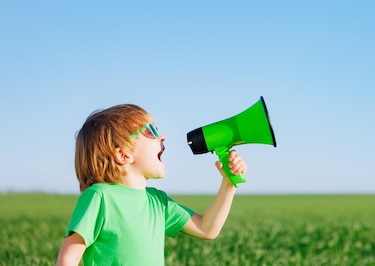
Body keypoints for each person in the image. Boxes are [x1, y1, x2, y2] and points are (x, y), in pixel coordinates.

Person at [56, 103, 247, 266]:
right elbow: (68, 259)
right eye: (151, 131)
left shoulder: (158, 201)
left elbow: (207, 228)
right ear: (123, 154)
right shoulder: (100, 196)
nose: (162, 136)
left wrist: (229, 183)